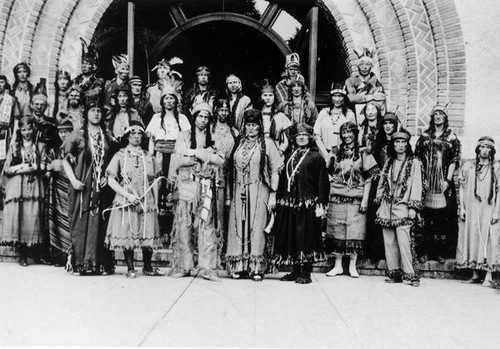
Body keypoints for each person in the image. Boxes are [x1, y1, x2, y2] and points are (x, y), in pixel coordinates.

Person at [226, 109, 283, 281]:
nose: (251, 129)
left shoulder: (268, 144)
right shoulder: (239, 143)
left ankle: (256, 267)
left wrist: (273, 194)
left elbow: (275, 170)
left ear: (260, 126)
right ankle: (240, 266)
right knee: (237, 227)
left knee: (257, 228)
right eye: (248, 125)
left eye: (254, 125)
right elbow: (229, 170)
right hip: (239, 190)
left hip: (259, 190)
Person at [171, 103, 226, 280]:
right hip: (187, 185)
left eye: (206, 117)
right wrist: (201, 154)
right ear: (194, 117)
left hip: (206, 186)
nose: (203, 120)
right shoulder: (184, 135)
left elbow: (220, 159)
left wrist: (196, 155)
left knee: (207, 227)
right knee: (184, 225)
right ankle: (184, 266)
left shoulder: (215, 137)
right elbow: (179, 158)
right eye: (200, 116)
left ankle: (207, 268)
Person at [272, 123, 329, 284]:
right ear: (294, 138)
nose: (302, 137)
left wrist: (321, 203)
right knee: (292, 236)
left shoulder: (316, 157)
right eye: (298, 135)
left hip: (307, 203)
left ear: (310, 138)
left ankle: (306, 272)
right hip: (290, 202)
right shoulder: (290, 154)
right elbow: (285, 178)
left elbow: (322, 181)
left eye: (305, 135)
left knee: (306, 237)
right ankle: (295, 271)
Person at [105, 120, 162, 278]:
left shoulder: (148, 157)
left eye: (139, 134)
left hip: (146, 198)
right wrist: (127, 195)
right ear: (127, 136)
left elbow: (155, 181)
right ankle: (130, 268)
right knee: (127, 230)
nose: (136, 137)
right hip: (126, 197)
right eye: (133, 133)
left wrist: (156, 202)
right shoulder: (120, 155)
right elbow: (111, 179)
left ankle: (148, 266)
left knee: (147, 228)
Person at [62, 99, 113, 275]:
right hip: (82, 185)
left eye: (99, 110)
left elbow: (111, 162)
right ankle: (79, 262)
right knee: (81, 221)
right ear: (86, 113)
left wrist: (108, 175)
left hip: (101, 186)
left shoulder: (106, 135)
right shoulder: (78, 134)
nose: (96, 113)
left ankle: (96, 263)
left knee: (99, 222)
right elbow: (65, 160)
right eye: (92, 110)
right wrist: (73, 180)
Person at [325, 121, 379, 278]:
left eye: (350, 133)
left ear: (356, 134)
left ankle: (352, 266)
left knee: (355, 230)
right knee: (337, 229)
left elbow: (369, 178)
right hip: (337, 196)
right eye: (344, 133)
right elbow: (327, 170)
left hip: (356, 197)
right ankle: (338, 266)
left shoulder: (364, 153)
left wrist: (364, 200)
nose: (347, 136)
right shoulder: (336, 151)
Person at [375, 130, 424, 287]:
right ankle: (394, 272)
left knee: (405, 242)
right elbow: (382, 183)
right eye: (397, 142)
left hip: (403, 206)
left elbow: (417, 185)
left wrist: (413, 208)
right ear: (393, 144)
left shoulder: (415, 162)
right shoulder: (389, 161)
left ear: (407, 144)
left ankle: (411, 274)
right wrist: (379, 204)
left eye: (403, 142)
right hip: (387, 206)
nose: (400, 145)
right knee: (389, 242)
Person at [414, 103, 461, 263]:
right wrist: (422, 179)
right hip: (426, 182)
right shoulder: (425, 136)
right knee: (425, 218)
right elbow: (417, 159)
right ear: (432, 117)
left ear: (445, 117)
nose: (438, 116)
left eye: (441, 114)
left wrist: (447, 180)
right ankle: (425, 252)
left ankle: (440, 252)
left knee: (442, 219)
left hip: (443, 183)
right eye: (436, 114)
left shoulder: (452, 137)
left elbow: (455, 159)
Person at [146, 85, 191, 245]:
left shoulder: (183, 118)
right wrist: (151, 159)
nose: (169, 101)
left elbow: (185, 141)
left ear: (176, 100)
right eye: (166, 98)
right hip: (159, 156)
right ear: (162, 100)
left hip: (175, 156)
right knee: (159, 190)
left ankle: (173, 232)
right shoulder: (157, 118)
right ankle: (159, 232)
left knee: (173, 192)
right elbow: (152, 140)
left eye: (172, 98)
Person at [456, 136, 500, 287]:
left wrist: (497, 212)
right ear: (477, 149)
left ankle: (488, 275)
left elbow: (499, 191)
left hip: (488, 208)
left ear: (492, 150)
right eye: (482, 147)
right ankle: (474, 273)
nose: (485, 150)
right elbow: (461, 187)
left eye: (488, 148)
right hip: (472, 207)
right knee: (472, 236)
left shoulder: (496, 168)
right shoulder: (468, 166)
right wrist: (461, 207)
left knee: (488, 238)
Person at [0, 116, 43, 266]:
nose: (26, 132)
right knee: (19, 215)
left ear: (33, 129)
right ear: (20, 130)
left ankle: (33, 251)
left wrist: (30, 168)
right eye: (23, 129)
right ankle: (22, 254)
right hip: (18, 185)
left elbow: (37, 167)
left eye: (29, 129)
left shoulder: (38, 145)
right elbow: (8, 169)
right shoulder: (15, 146)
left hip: (33, 184)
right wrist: (22, 168)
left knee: (31, 216)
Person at [365, 111, 399, 262]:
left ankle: (390, 253)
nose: (388, 126)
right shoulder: (377, 142)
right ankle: (374, 251)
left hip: (394, 184)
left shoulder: (399, 142)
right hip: (377, 183)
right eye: (385, 123)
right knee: (375, 216)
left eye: (391, 123)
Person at [46, 119, 74, 267]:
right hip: (57, 189)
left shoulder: (76, 148)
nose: (64, 135)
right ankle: (59, 255)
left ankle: (71, 254)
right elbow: (48, 167)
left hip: (71, 188)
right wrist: (50, 167)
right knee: (57, 220)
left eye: (67, 131)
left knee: (71, 220)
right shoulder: (54, 150)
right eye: (61, 132)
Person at [211, 99, 236, 250]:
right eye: (221, 110)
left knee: (226, 207)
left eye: (226, 111)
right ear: (216, 111)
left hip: (228, 174)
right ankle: (212, 243)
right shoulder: (210, 129)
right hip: (212, 172)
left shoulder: (233, 130)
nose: (223, 113)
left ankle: (225, 245)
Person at [314, 83, 354, 161]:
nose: (337, 99)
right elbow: (317, 136)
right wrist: (326, 155)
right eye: (334, 96)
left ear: (344, 97)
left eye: (340, 96)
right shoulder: (323, 113)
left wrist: (337, 151)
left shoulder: (350, 114)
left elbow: (353, 135)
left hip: (343, 154)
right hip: (324, 153)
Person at [345, 47, 385, 120]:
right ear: (358, 66)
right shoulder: (350, 81)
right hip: (353, 116)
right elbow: (349, 98)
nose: (364, 67)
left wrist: (358, 97)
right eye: (361, 64)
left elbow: (381, 97)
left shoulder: (377, 83)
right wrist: (371, 97)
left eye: (367, 64)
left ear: (371, 66)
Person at [259, 80, 292, 155]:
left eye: (270, 95)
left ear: (274, 97)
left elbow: (285, 137)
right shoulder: (257, 115)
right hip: (259, 148)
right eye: (265, 95)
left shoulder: (280, 116)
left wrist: (281, 150)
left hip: (276, 149)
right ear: (261, 97)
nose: (268, 98)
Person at [105, 86, 141, 152]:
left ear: (129, 98)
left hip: (130, 145)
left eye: (124, 96)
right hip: (114, 146)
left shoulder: (134, 113)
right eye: (120, 96)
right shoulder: (111, 113)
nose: (122, 99)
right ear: (117, 98)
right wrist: (112, 138)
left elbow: (139, 130)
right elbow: (107, 129)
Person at [72, 39, 104, 106]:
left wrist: (80, 92)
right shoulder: (75, 80)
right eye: (83, 63)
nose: (84, 66)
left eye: (87, 64)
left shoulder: (98, 80)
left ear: (94, 67)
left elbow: (96, 91)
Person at [0, 75, 21, 168]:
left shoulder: (11, 100)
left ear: (5, 84)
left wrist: (14, 137)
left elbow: (16, 119)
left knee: (2, 160)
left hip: (4, 133)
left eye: (1, 82)